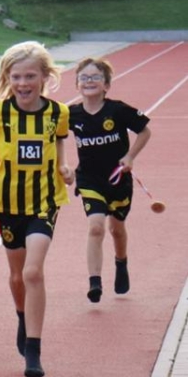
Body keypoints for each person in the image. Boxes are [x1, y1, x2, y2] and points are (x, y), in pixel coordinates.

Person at [0, 41, 73, 377]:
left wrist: (64, 166)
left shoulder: (59, 113)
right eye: (17, 77)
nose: (24, 83)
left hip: (45, 201)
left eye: (30, 76)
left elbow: (58, 142)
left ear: (44, 77)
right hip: (9, 204)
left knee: (32, 272)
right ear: (7, 79)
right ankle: (22, 315)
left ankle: (34, 349)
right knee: (16, 276)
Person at [68, 57, 151, 303]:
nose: (89, 81)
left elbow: (145, 131)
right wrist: (63, 167)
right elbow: (55, 137)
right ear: (77, 84)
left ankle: (121, 262)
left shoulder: (117, 110)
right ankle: (95, 281)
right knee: (95, 226)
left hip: (117, 180)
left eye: (95, 77)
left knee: (117, 229)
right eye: (84, 77)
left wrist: (130, 156)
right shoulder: (71, 114)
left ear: (106, 85)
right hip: (89, 180)